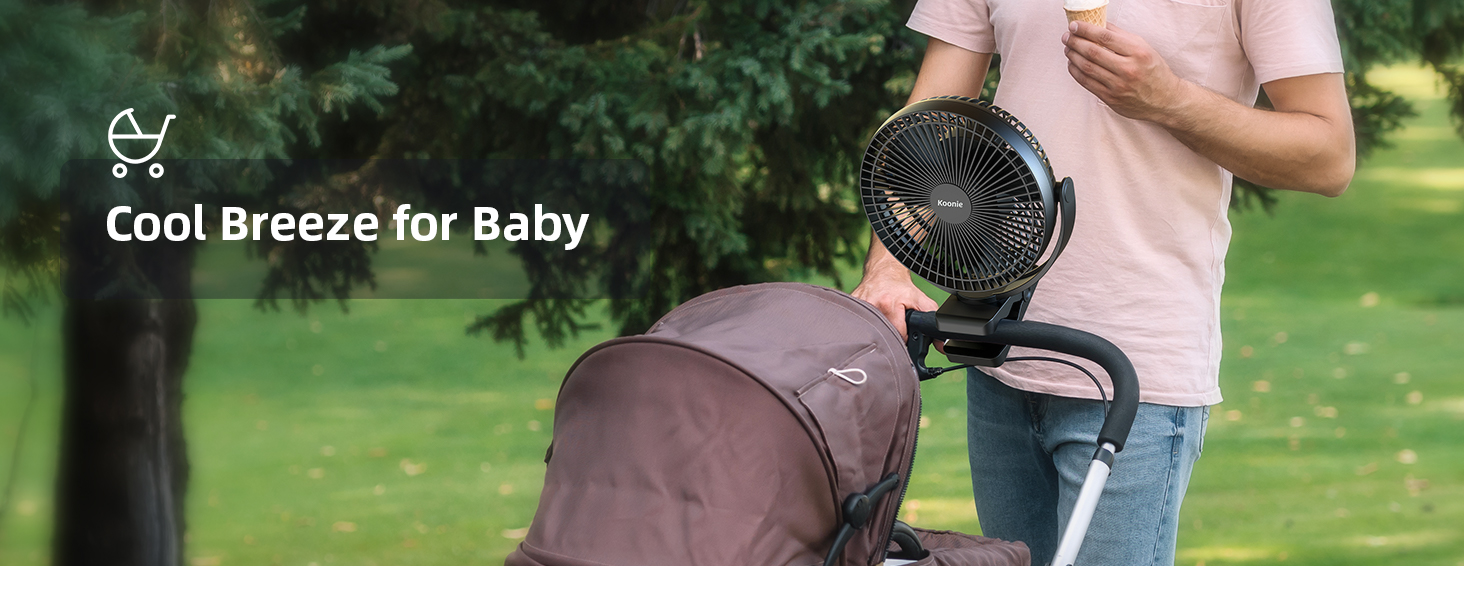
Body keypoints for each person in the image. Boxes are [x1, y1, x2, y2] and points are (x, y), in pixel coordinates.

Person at [852, 0, 1354, 565]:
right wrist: (888, 268)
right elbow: (923, 124)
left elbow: (1328, 157)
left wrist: (1171, 100)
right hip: (1002, 351)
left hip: (1135, 373)